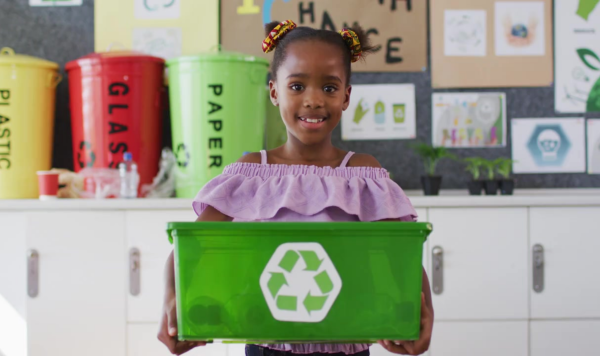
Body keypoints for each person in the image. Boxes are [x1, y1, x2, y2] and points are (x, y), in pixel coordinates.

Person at [157, 19, 434, 356]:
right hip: (267, 347)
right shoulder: (251, 174)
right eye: (297, 86)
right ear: (274, 91)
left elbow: (403, 257)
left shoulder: (363, 176)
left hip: (347, 346)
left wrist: (422, 316)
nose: (314, 100)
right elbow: (189, 250)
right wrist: (173, 304)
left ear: (346, 96)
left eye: (329, 88)